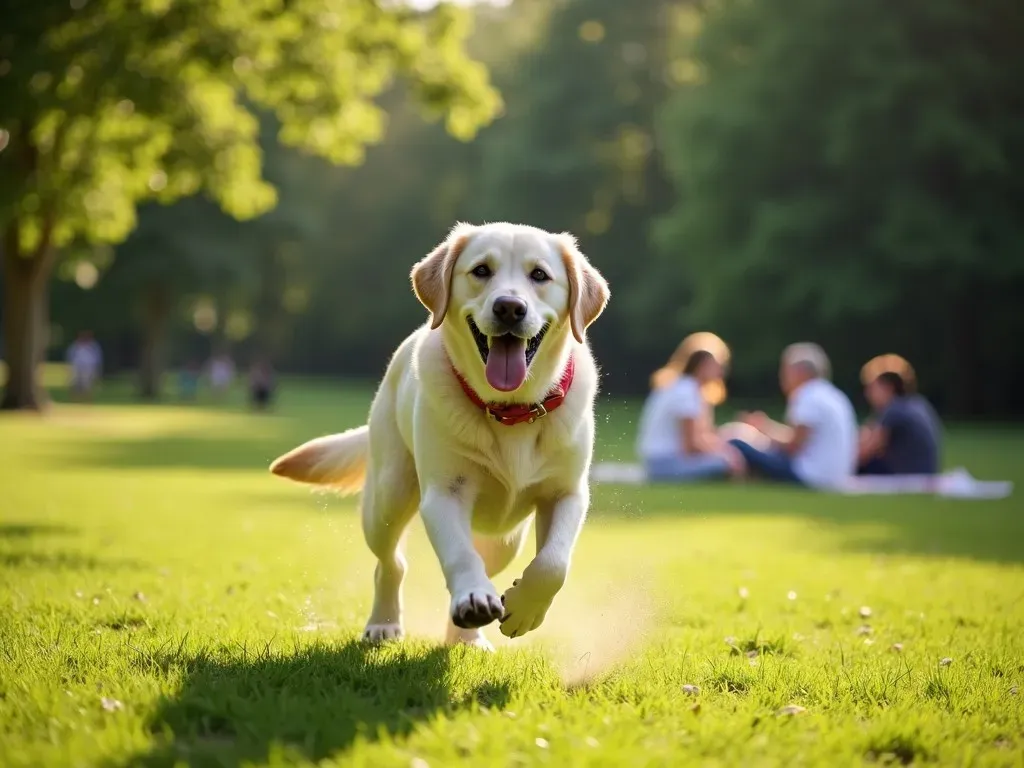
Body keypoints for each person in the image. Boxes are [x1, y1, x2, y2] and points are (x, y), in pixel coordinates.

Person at [729, 342, 857, 489]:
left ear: (800, 372)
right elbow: (802, 438)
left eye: (785, 371)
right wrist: (766, 427)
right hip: (835, 476)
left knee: (737, 443)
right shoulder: (833, 395)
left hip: (811, 477)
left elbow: (793, 447)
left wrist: (762, 433)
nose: (782, 377)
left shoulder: (807, 395)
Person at [636, 348, 745, 481]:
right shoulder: (687, 392)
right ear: (701, 367)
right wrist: (728, 455)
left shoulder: (682, 387)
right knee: (724, 464)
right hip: (664, 463)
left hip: (657, 460)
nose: (721, 372)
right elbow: (691, 445)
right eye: (716, 367)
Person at [858, 360, 942, 475]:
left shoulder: (894, 411)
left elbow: (863, 453)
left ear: (887, 387)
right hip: (924, 473)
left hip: (909, 477)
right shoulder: (919, 403)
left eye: (872, 388)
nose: (867, 394)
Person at [66, 330, 103, 402]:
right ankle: (75, 399)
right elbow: (70, 356)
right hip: (77, 367)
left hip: (89, 367)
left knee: (87, 384)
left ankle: (87, 399)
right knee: (75, 383)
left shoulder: (93, 346)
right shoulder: (75, 345)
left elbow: (97, 357)